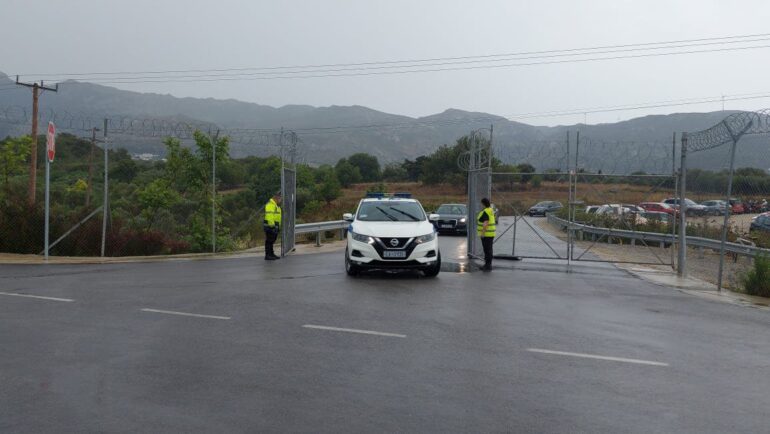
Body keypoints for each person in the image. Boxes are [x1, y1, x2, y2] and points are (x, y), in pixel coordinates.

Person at [477, 197, 496, 271]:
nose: (480, 205)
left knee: (487, 250)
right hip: (491, 234)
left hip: (486, 234)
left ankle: (487, 266)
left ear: (483, 204)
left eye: (481, 203)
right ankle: (488, 265)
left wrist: (482, 233)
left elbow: (486, 223)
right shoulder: (490, 210)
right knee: (489, 250)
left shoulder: (485, 211)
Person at [263, 191, 282, 260]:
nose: (281, 200)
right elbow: (269, 216)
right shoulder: (271, 205)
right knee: (269, 241)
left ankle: (271, 254)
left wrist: (277, 226)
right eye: (280, 198)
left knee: (271, 241)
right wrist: (272, 226)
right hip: (270, 226)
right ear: (276, 198)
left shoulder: (275, 205)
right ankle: (268, 255)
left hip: (274, 226)